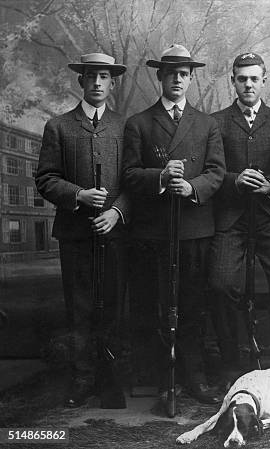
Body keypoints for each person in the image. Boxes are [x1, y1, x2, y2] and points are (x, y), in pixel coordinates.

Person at [122, 44, 226, 404]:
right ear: (160, 77)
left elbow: (217, 172)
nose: (177, 79)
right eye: (171, 73)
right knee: (155, 303)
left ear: (191, 78)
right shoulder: (138, 123)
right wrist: (162, 178)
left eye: (184, 73)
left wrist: (192, 187)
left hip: (195, 229)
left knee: (193, 305)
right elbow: (130, 176)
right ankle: (161, 379)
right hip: (153, 233)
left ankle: (194, 376)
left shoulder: (207, 123)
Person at [36, 53, 129, 407]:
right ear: (81, 81)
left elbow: (133, 181)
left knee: (114, 307)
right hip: (75, 234)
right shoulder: (58, 126)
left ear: (112, 82)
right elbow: (45, 179)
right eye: (91, 76)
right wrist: (78, 194)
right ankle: (83, 377)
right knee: (79, 307)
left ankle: (111, 376)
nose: (97, 83)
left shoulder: (125, 127)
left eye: (104, 77)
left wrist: (117, 212)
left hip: (115, 233)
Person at [209, 52, 270, 370]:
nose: (248, 84)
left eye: (254, 78)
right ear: (232, 81)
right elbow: (209, 170)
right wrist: (235, 180)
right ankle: (233, 366)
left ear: (264, 80)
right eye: (241, 78)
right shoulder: (215, 122)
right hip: (231, 217)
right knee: (220, 284)